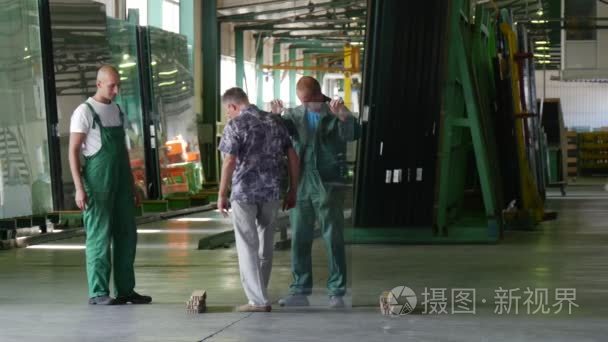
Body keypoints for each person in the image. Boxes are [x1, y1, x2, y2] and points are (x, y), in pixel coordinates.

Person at [270, 76, 359, 308]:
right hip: (300, 182)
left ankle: (337, 292)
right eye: (302, 101)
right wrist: (276, 117)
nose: (305, 105)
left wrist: (344, 118)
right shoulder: (294, 115)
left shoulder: (335, 110)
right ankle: (300, 291)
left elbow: (353, 134)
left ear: (318, 94)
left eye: (308, 101)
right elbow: (278, 137)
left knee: (333, 236)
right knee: (299, 236)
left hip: (328, 183)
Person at [68, 65, 151, 306]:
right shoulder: (84, 112)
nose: (116, 90)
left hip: (122, 185)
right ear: (99, 84)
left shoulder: (117, 110)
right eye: (112, 85)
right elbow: (73, 152)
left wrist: (134, 185)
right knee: (99, 238)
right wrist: (79, 187)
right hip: (98, 185)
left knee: (127, 237)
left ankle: (126, 290)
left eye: (118, 85)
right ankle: (98, 292)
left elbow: (124, 153)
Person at [218, 87, 299, 312]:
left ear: (232, 106)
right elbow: (292, 156)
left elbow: (229, 161)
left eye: (228, 111)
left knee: (247, 245)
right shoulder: (274, 121)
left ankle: (258, 301)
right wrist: (293, 189)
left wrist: (221, 193)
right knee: (265, 244)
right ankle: (260, 291)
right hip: (272, 192)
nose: (228, 115)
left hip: (244, 193)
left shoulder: (235, 125)